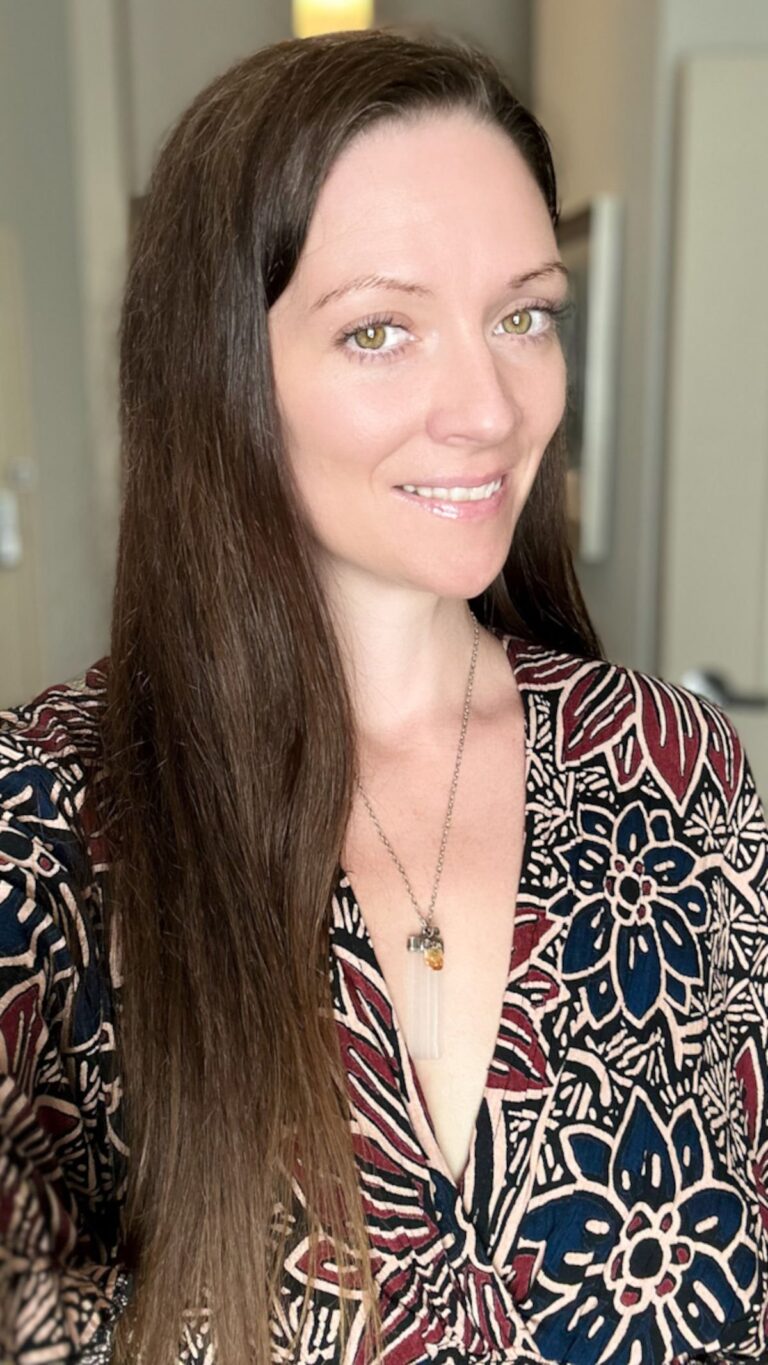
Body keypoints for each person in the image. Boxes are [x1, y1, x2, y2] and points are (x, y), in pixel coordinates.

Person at [1, 24, 766, 1365]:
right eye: (379, 330)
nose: (489, 409)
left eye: (524, 315)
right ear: (218, 370)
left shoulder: (670, 764)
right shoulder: (46, 824)